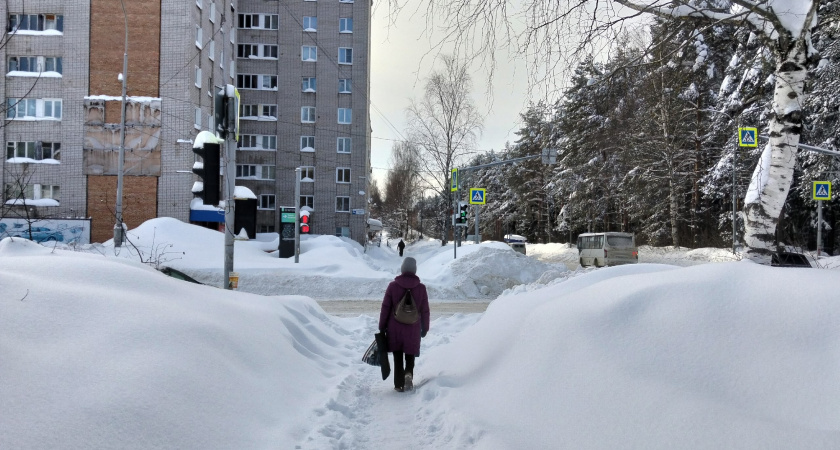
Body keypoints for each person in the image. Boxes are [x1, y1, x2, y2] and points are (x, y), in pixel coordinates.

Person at [379, 257, 430, 392]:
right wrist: (425, 327)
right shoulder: (421, 288)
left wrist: (382, 326)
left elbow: (385, 307)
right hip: (413, 328)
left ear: (402, 269)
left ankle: (398, 384)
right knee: (410, 353)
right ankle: (408, 373)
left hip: (394, 328)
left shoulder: (393, 286)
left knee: (397, 355)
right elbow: (425, 310)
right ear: (414, 270)